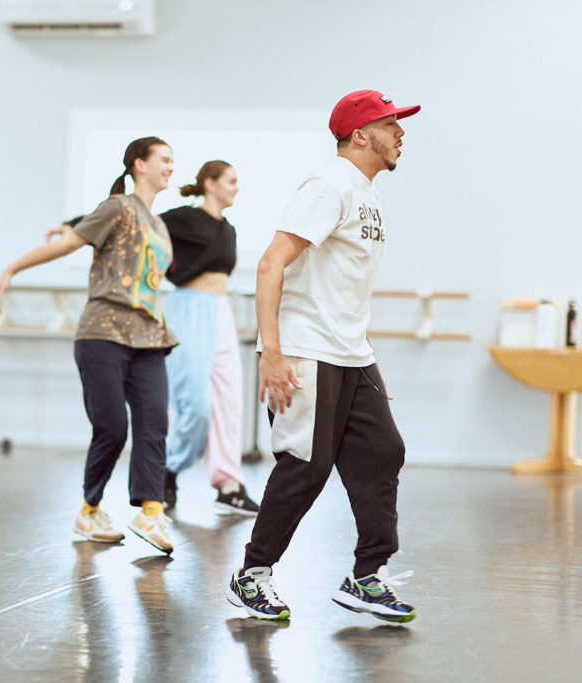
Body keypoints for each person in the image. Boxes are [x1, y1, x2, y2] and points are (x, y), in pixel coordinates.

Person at [226, 90, 420, 623]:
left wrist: (364, 359)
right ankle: (252, 575)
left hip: (351, 355)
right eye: (391, 123)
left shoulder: (367, 193)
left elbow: (343, 286)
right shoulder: (329, 185)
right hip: (307, 350)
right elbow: (271, 264)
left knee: (384, 451)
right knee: (305, 468)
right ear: (360, 134)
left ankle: (366, 576)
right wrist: (272, 354)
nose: (401, 133)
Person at [0, 136, 178, 554]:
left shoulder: (160, 225)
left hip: (148, 336)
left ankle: (150, 512)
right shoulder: (118, 207)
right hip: (103, 332)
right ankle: (89, 511)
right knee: (112, 427)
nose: (170, 167)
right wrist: (11, 269)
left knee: (154, 423)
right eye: (164, 159)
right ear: (138, 164)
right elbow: (69, 243)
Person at [157, 161, 260, 516]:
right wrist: (77, 226)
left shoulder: (228, 230)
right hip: (187, 310)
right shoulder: (184, 217)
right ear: (211, 184)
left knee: (228, 400)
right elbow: (139, 224)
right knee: (195, 404)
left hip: (220, 311)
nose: (236, 187)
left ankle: (229, 483)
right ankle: (169, 468)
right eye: (231, 181)